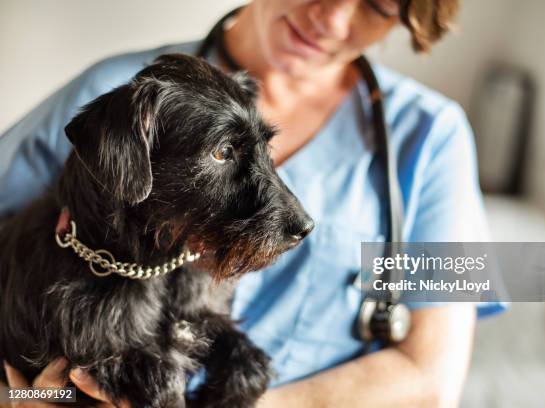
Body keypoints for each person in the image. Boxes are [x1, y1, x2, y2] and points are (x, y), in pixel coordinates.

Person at [0, 0, 506, 406]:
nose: (331, 17)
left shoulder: (436, 136)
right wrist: (18, 396)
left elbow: (431, 378)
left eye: (376, 5)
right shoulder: (112, 94)